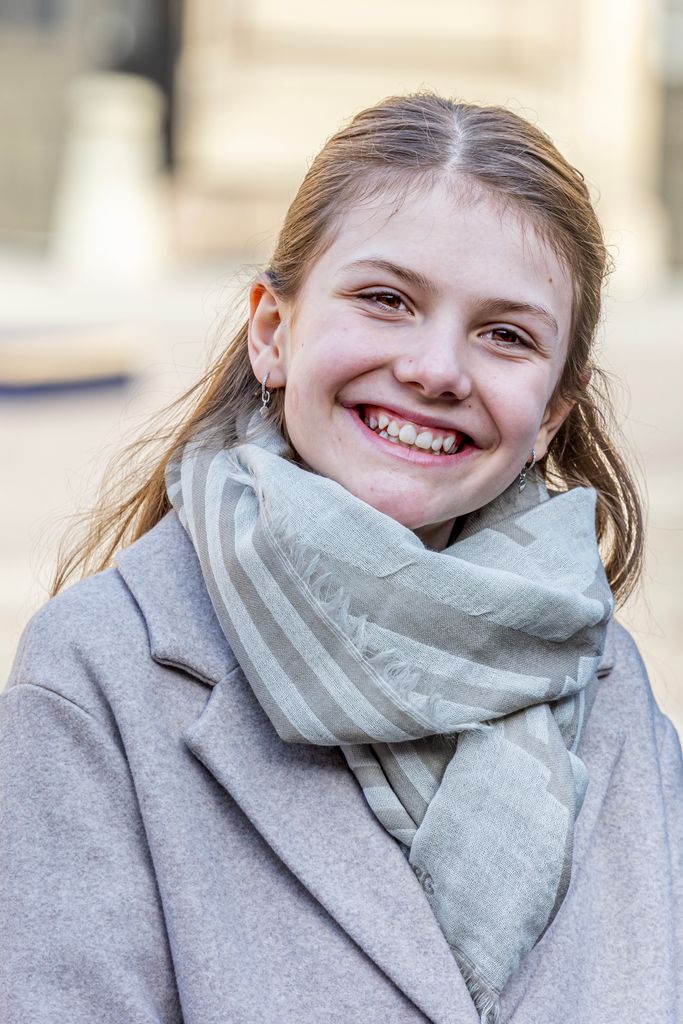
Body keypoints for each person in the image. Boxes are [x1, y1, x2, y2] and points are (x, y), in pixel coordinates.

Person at [1, 93, 681, 1024]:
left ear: (551, 417)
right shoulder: (101, 675)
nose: (437, 369)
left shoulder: (605, 685)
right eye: (385, 300)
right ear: (272, 333)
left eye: (505, 334)